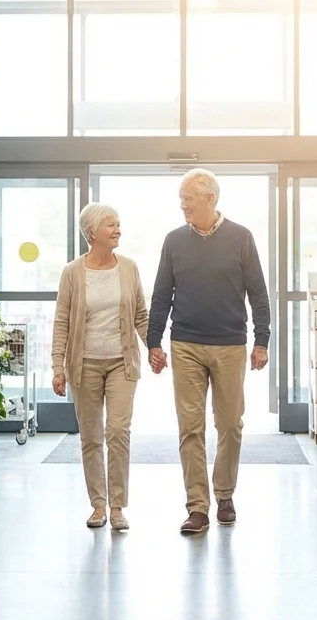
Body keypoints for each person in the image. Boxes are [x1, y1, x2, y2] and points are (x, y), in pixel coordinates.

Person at [147, 168, 270, 534]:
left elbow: (258, 293)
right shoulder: (174, 241)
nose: (182, 205)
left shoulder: (241, 238)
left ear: (209, 199)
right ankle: (197, 506)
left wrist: (261, 340)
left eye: (188, 199)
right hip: (184, 343)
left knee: (230, 424)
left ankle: (226, 494)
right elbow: (160, 295)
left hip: (231, 344)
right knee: (190, 427)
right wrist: (154, 341)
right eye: (181, 199)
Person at [50, 203, 149, 531]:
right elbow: (62, 321)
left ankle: (118, 506)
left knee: (118, 432)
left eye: (119, 224)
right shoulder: (72, 273)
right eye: (111, 225)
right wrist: (57, 367)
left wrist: (156, 348)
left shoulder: (129, 268)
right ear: (92, 232)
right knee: (91, 437)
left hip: (122, 362)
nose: (118, 229)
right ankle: (98, 505)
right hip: (84, 365)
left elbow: (141, 316)